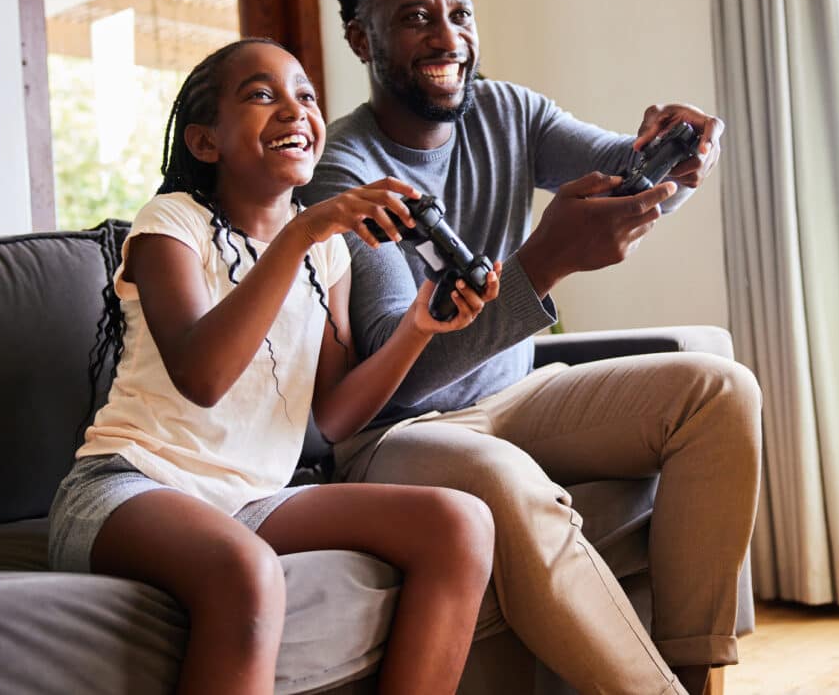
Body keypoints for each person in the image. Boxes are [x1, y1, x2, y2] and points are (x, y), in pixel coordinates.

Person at [298, 0, 763, 695]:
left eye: (460, 14)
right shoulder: (346, 173)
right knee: (505, 478)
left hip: (515, 393)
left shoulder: (507, 112)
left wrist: (677, 157)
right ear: (360, 39)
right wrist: (543, 262)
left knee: (720, 391)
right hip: (397, 436)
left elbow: (628, 179)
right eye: (415, 18)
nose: (448, 37)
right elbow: (395, 372)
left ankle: (691, 674)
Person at [48, 37, 502, 695]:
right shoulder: (170, 227)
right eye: (262, 96)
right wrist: (300, 234)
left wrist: (417, 329)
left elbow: (335, 415)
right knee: (247, 573)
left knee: (459, 524)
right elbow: (203, 379)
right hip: (129, 487)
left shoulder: (327, 256)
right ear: (207, 143)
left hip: (250, 500)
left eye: (306, 96)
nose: (294, 109)